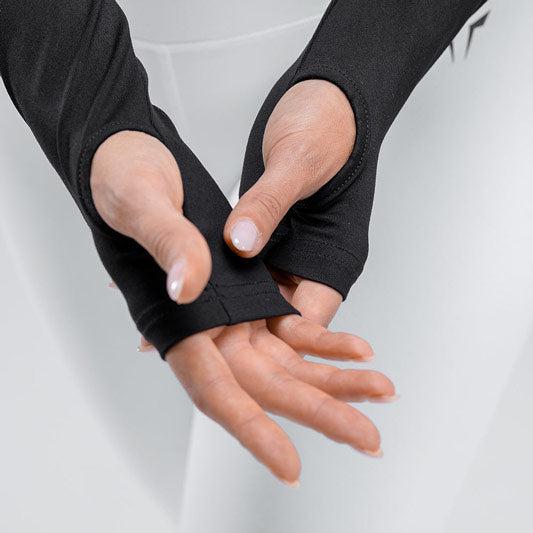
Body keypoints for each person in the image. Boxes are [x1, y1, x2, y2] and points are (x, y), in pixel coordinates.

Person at [0, 0, 485, 486]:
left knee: (281, 496)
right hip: (49, 58)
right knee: (173, 476)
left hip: (385, 40)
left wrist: (360, 69)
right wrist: (92, 113)